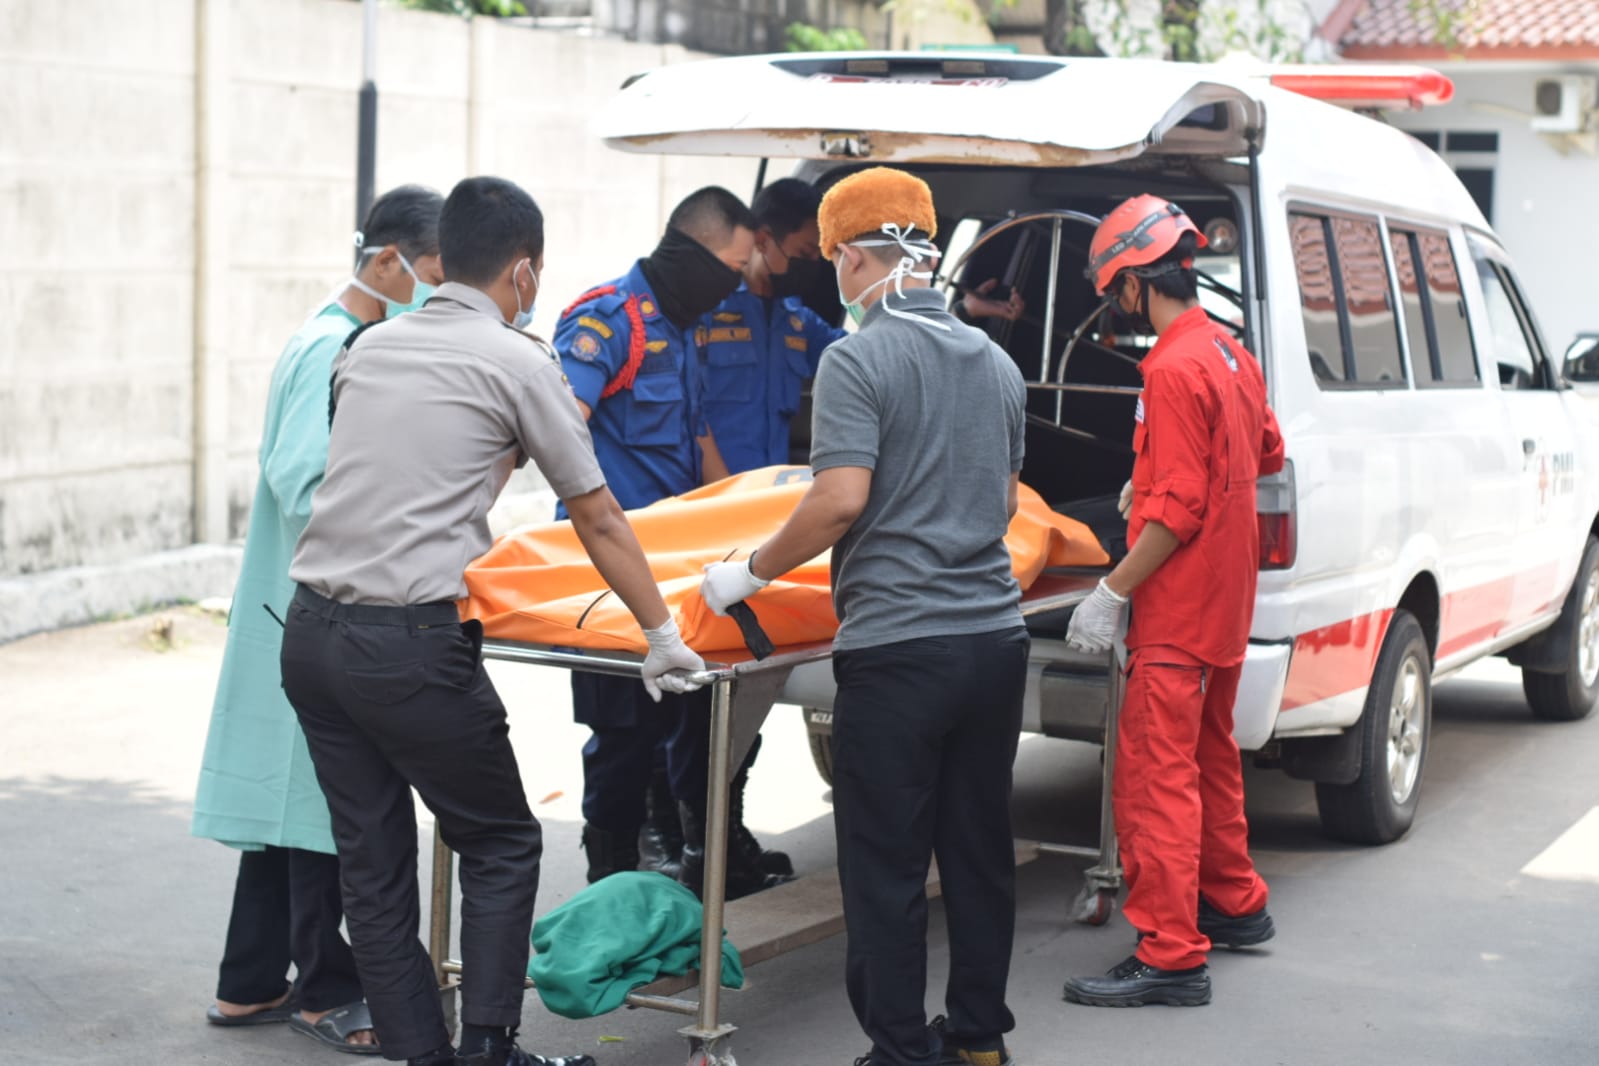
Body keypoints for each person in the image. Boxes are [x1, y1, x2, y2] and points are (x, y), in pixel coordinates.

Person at [280, 175, 705, 1066]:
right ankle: (486, 1050)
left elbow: (420, 455)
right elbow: (593, 512)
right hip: (407, 646)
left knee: (376, 861)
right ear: (521, 271)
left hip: (312, 637)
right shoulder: (520, 359)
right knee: (502, 842)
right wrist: (660, 632)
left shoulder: (367, 347)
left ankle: (421, 1053)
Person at [700, 166, 1030, 1066]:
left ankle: (898, 1050)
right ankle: (975, 1040)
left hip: (900, 649)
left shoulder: (856, 358)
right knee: (975, 850)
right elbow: (1002, 504)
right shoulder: (995, 362)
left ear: (850, 256)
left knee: (884, 864)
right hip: (993, 643)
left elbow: (839, 497)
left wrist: (751, 572)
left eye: (837, 258)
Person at [192, 184, 446, 1055]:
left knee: (290, 806)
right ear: (387, 262)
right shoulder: (333, 348)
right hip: (319, 606)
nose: (439, 297)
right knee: (327, 809)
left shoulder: (350, 340)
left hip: (308, 603)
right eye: (434, 276)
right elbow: (303, 482)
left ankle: (248, 982)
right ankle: (324, 989)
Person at [1060, 194, 1284, 1008]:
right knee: (1212, 761)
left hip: (1178, 612)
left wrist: (1111, 591)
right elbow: (1262, 451)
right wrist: (1149, 474)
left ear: (1131, 284)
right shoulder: (1227, 352)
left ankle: (1169, 953)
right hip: (1226, 605)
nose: (1116, 307)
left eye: (1113, 291)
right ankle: (1233, 905)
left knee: (1156, 779)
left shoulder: (1170, 365)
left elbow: (1180, 510)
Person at [554, 187, 787, 900]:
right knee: (622, 736)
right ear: (692, 251)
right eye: (734, 263)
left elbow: (697, 438)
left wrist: (743, 515)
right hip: (614, 570)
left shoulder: (685, 328)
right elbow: (560, 424)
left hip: (684, 567)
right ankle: (610, 882)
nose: (740, 280)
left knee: (698, 715)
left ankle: (700, 856)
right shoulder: (608, 321)